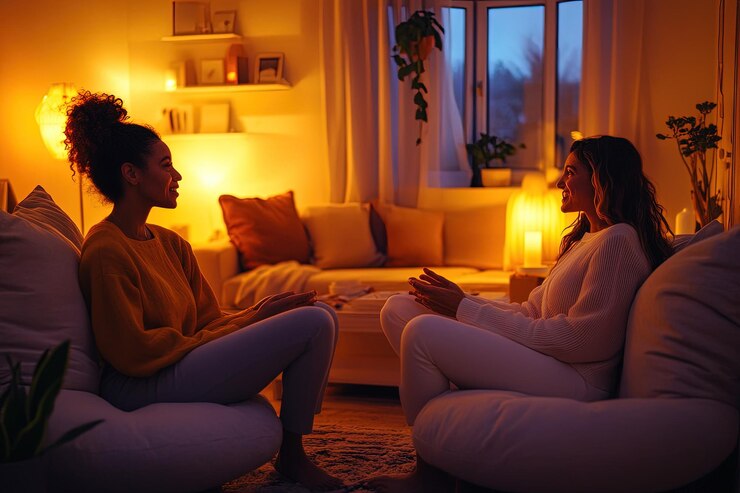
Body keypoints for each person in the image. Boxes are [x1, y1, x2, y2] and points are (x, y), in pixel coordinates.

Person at [65, 91, 343, 491]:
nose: (177, 176)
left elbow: (207, 321)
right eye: (166, 166)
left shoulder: (170, 243)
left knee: (324, 315)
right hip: (140, 381)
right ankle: (294, 458)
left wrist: (252, 314)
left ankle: (294, 453)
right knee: (315, 321)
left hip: (176, 363)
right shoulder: (106, 249)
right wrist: (250, 320)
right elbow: (131, 351)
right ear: (132, 174)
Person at [368, 135, 673, 493]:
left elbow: (583, 341)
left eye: (571, 172)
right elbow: (530, 310)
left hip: (576, 378)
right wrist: (462, 300)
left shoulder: (619, 241)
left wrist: (464, 310)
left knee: (421, 333)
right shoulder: (586, 239)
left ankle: (430, 474)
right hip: (547, 358)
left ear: (601, 179)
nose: (560, 182)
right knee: (399, 309)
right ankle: (453, 434)